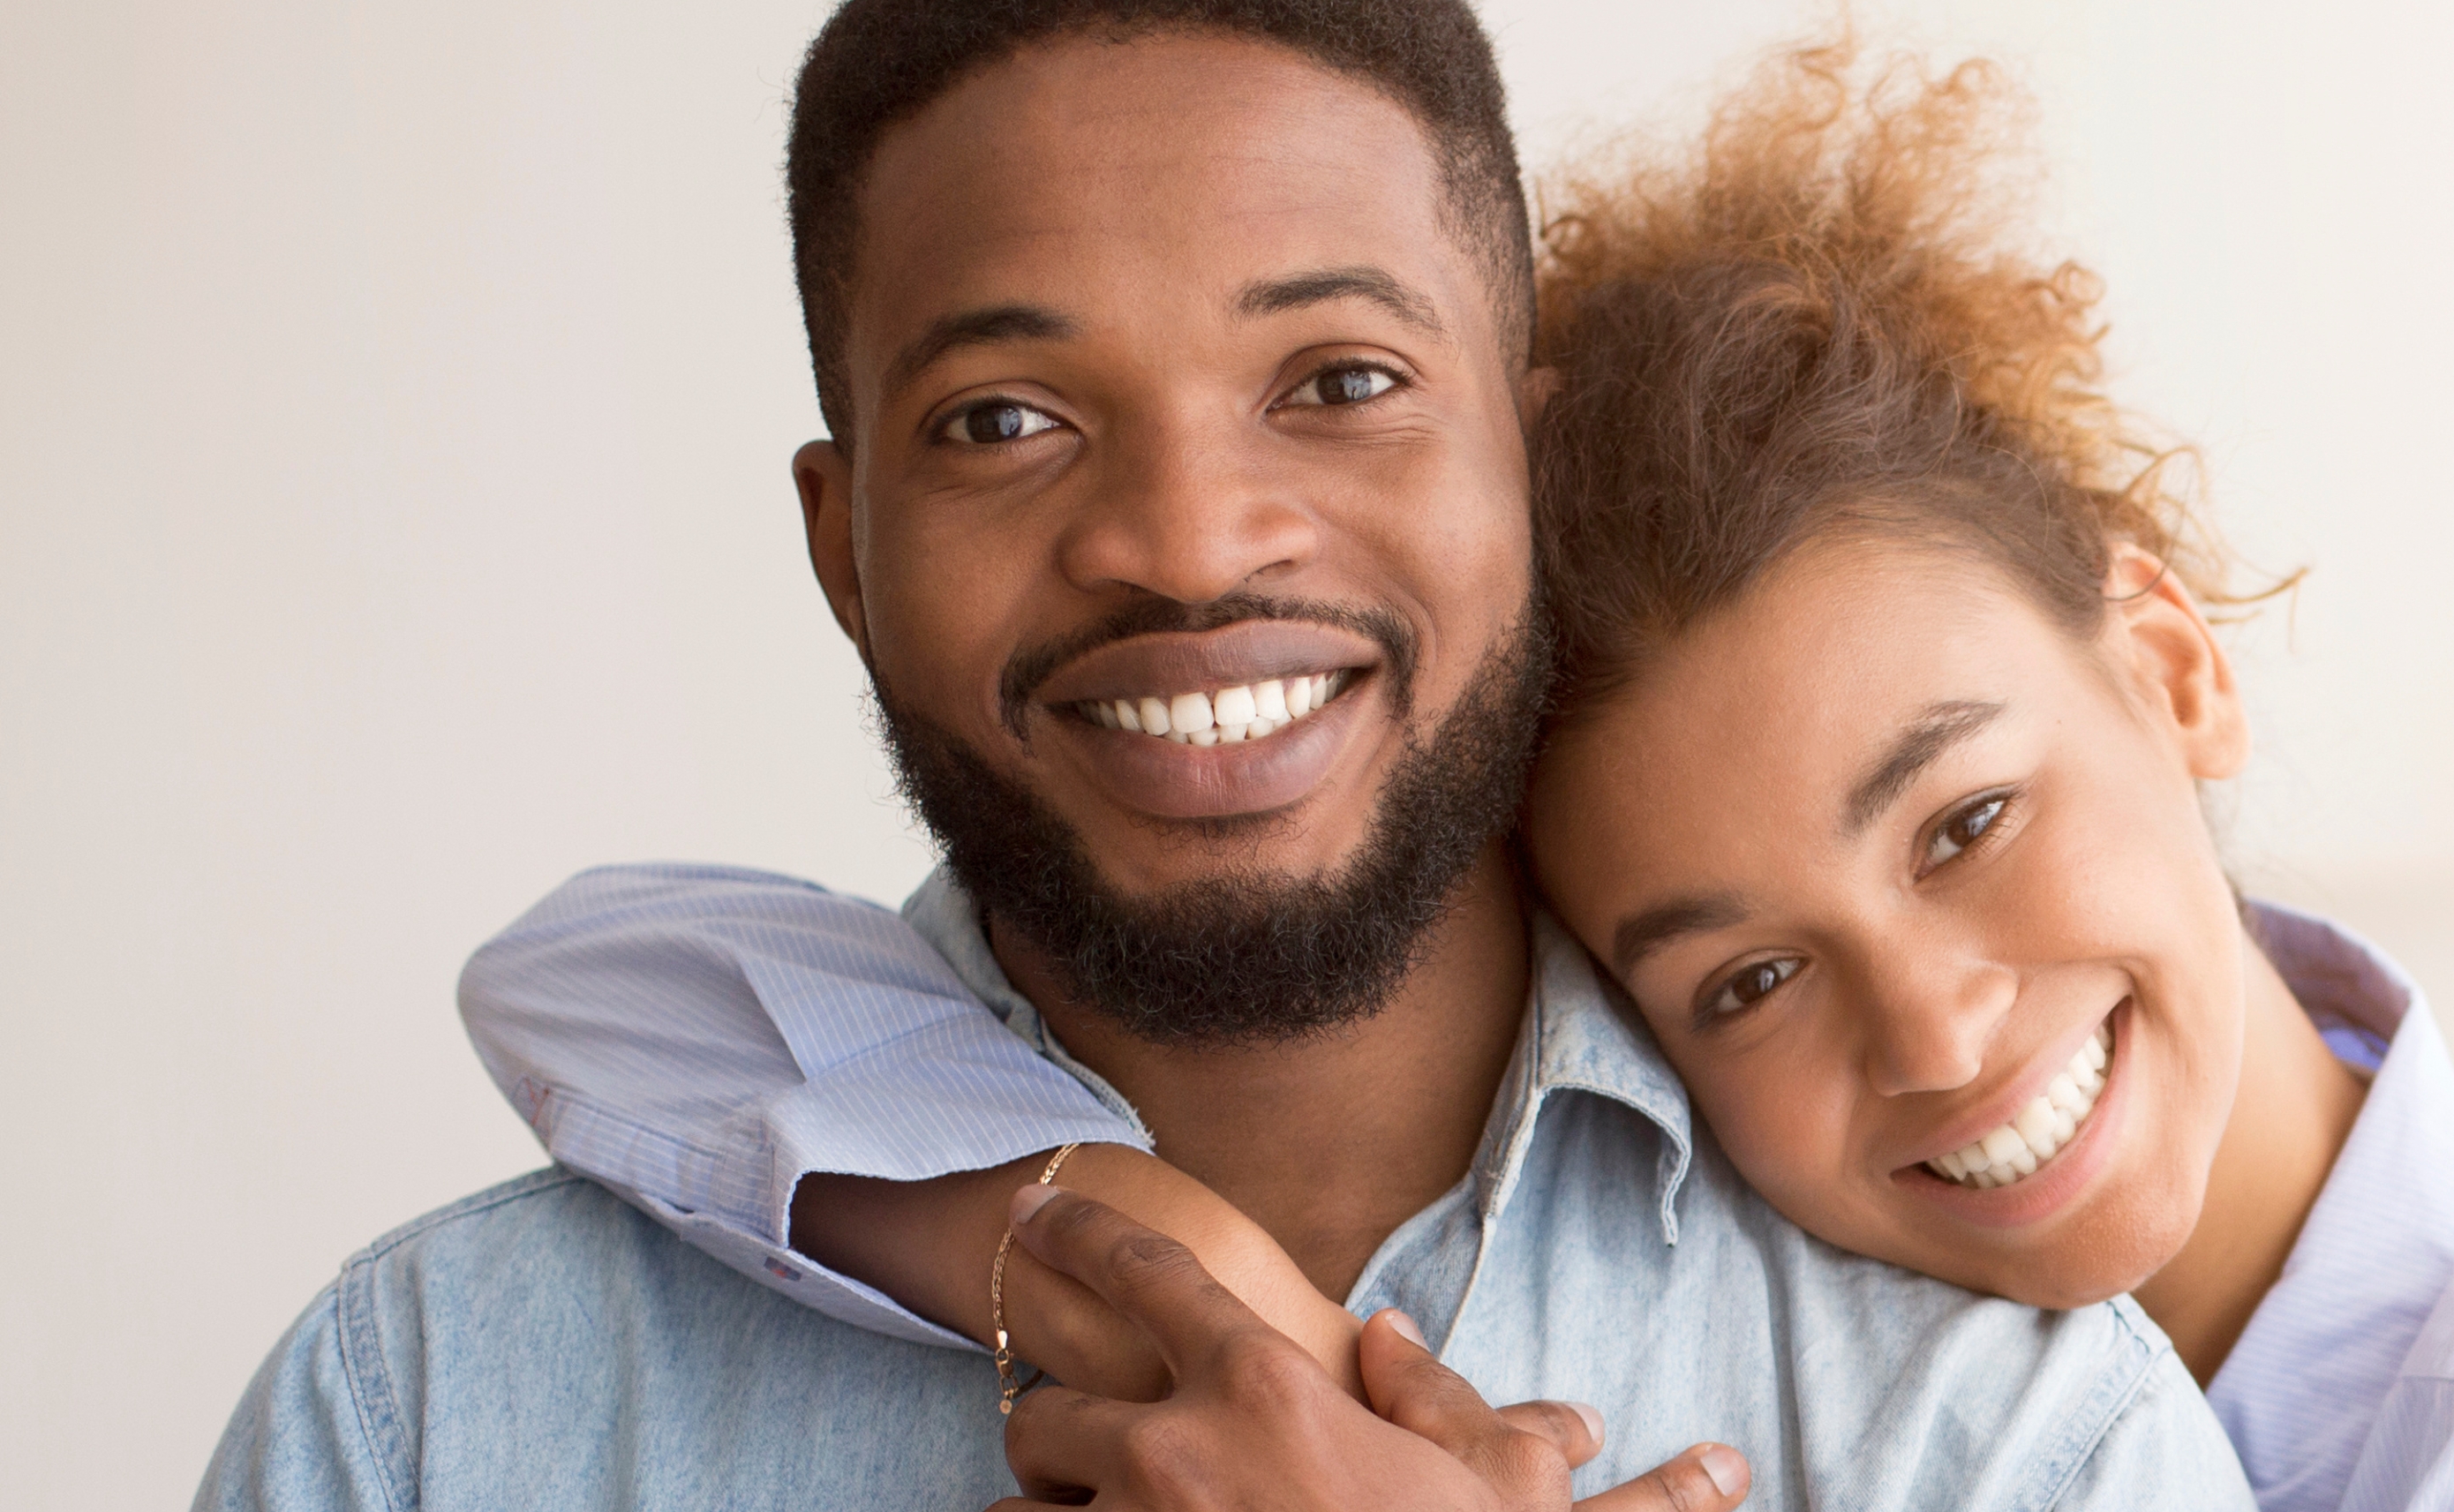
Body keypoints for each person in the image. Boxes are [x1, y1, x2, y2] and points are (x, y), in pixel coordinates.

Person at [433, 36, 2454, 1512]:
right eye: (1744, 972)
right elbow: (601, 981)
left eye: (1962, 817)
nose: (1938, 1034)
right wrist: (1118, 1236)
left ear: (2168, 668)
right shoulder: (1763, 1295)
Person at [194, 4, 2263, 1508]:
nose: (1189, 543)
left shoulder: (2007, 1425)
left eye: (1340, 378)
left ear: (1520, 465)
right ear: (846, 550)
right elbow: (581, 970)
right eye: (1006, 417)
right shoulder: (433, 1411)